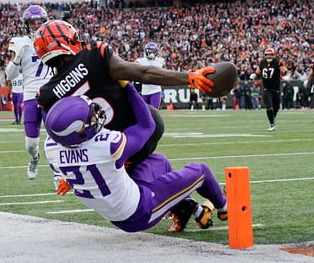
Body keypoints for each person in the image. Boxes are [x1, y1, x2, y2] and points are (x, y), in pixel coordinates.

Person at [34, 19, 216, 231]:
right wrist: (189, 77)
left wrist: (66, 174)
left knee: (125, 189)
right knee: (142, 177)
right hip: (140, 128)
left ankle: (190, 206)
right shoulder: (95, 54)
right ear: (68, 40)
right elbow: (143, 73)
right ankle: (190, 208)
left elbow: (60, 139)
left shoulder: (46, 95)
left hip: (111, 146)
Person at [43, 83, 228, 233]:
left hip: (117, 208)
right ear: (78, 131)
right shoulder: (106, 145)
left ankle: (189, 208)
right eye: (90, 116)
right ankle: (224, 208)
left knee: (159, 162)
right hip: (140, 211)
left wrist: (66, 178)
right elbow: (148, 125)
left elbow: (63, 169)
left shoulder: (51, 147)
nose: (95, 116)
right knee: (201, 171)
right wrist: (127, 86)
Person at [5, 5, 53, 180]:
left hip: (51, 93)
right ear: (26, 24)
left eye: (39, 21)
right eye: (32, 22)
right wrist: (17, 57)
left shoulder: (52, 39)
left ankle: (57, 174)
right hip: (31, 93)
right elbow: (9, 75)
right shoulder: (19, 42)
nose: (35, 25)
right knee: (30, 144)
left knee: (55, 137)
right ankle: (34, 158)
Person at [250, 47, 291, 131]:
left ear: (274, 55)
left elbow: (286, 71)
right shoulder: (262, 62)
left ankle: (273, 117)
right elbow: (258, 72)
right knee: (268, 106)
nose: (269, 57)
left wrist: (287, 76)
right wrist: (254, 75)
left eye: (271, 55)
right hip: (266, 88)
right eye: (268, 55)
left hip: (276, 88)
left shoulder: (277, 62)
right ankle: (272, 125)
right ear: (265, 55)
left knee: (276, 107)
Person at [135, 42, 164, 109]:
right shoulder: (140, 61)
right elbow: (133, 66)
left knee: (154, 112)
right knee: (145, 113)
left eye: (153, 52)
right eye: (150, 51)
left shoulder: (160, 61)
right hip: (144, 91)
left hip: (155, 90)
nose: (151, 53)